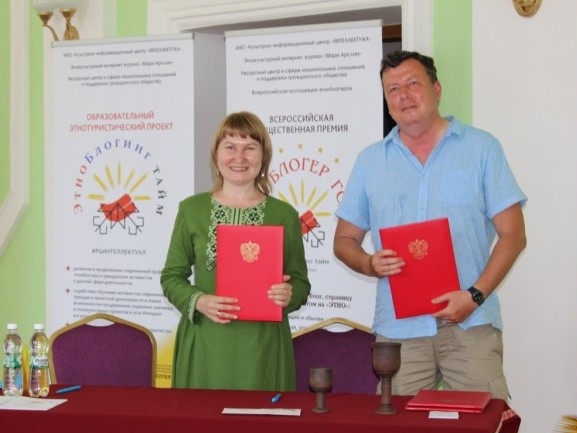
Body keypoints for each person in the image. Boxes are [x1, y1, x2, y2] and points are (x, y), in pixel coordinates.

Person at [333, 50, 527, 400]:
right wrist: (368, 263)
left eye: (413, 84)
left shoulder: (482, 148)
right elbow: (344, 239)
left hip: (471, 323)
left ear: (436, 89)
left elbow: (513, 235)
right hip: (399, 331)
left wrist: (474, 296)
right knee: (396, 423)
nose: (403, 96)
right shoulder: (370, 161)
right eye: (393, 89)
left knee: (484, 421)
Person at [161, 111, 311, 391]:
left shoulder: (284, 215)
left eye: (250, 148)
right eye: (230, 147)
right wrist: (199, 301)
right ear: (216, 155)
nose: (239, 157)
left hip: (263, 349)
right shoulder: (191, 210)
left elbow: (301, 283)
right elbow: (171, 277)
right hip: (206, 344)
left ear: (264, 157)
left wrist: (289, 294)